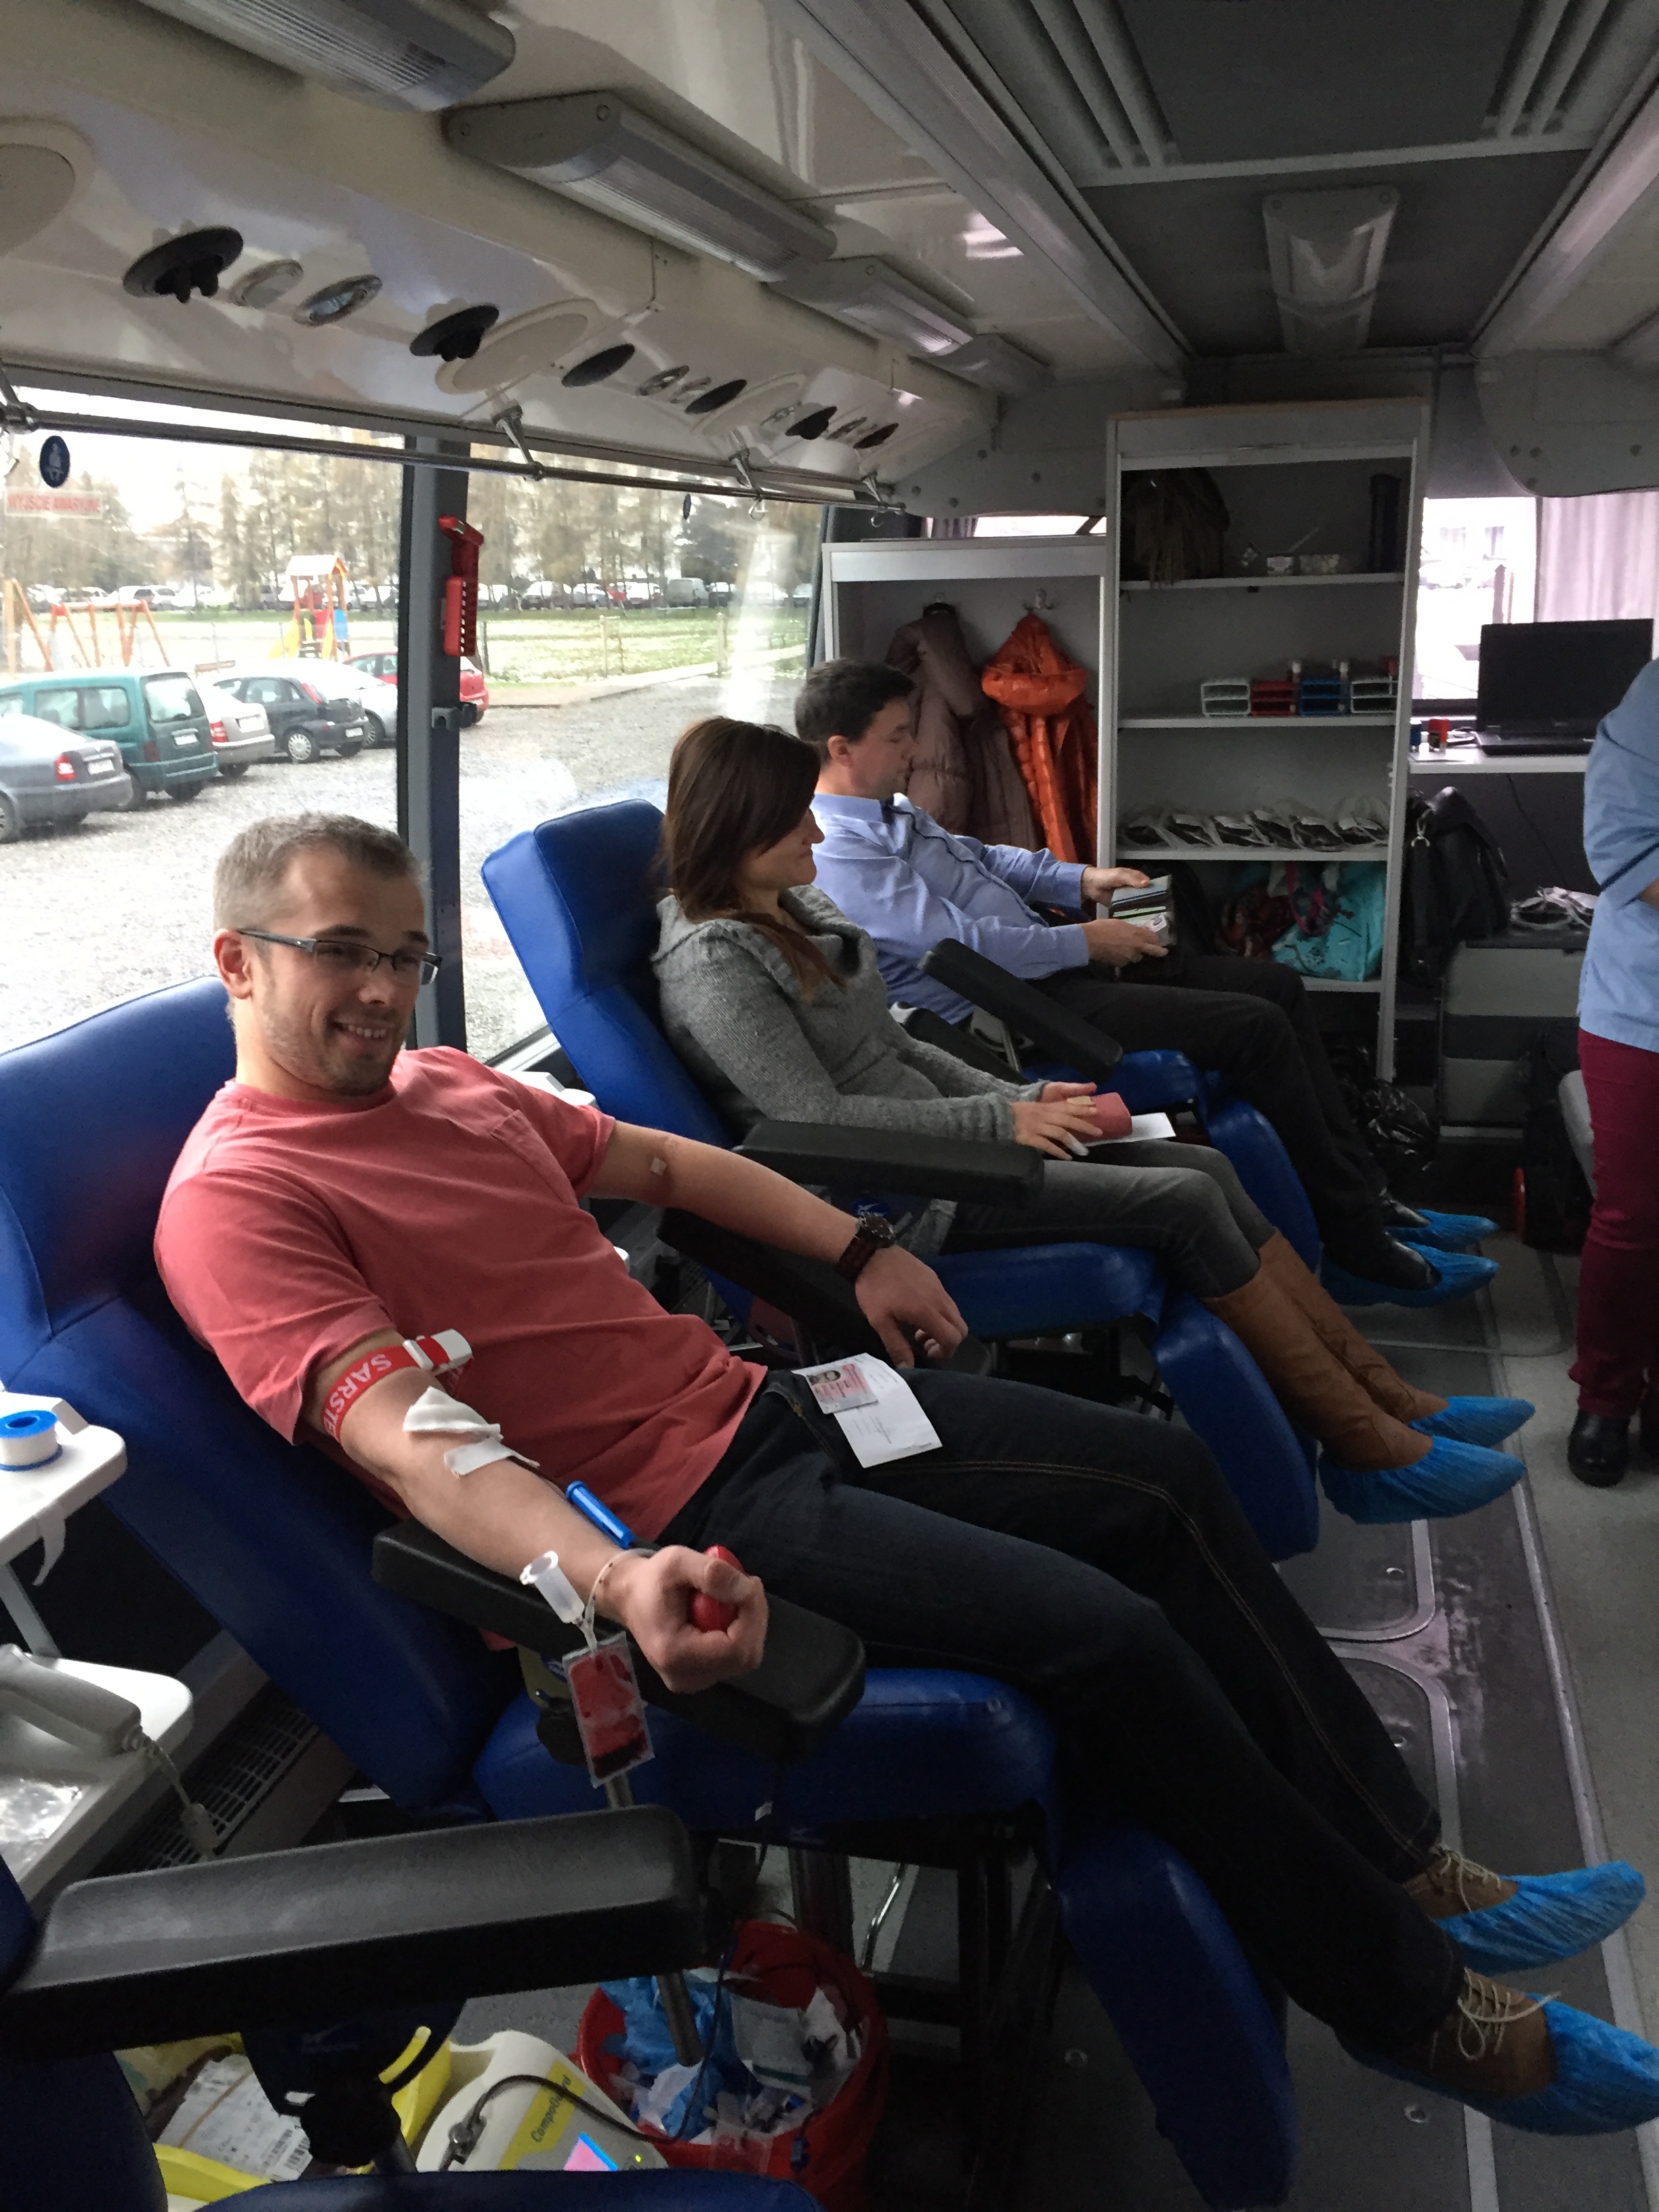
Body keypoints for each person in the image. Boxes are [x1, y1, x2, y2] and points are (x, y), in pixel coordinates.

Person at [152, 811, 1658, 2140]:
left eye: (404, 956)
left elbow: (669, 1168)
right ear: (238, 960)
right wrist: (614, 1575)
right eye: (341, 952)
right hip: (688, 1518)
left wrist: (860, 1247)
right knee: (1109, 1632)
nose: (382, 989)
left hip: (771, 1406)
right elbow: (409, 1437)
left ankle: (1402, 1859)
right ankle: (1416, 2010)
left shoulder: (450, 1086)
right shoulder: (241, 1196)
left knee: (1159, 1477)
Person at [651, 715, 1530, 1525]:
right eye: (794, 819)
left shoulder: (797, 908)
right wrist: (996, 1127)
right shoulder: (714, 961)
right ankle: (1366, 1449)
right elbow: (818, 1119)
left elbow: (898, 1043)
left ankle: (1385, 1398)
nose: (816, 832)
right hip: (900, 1191)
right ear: (739, 826)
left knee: (1206, 1168)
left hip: (953, 1139)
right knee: (1183, 1201)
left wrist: (1017, 1100)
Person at [797, 658, 1490, 1301]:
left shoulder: (895, 812)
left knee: (1275, 986)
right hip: (1013, 1016)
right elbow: (966, 949)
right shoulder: (841, 852)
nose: (914, 749)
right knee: (1256, 1028)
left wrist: (1083, 880)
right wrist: (1084, 940)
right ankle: (1354, 1244)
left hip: (1052, 969)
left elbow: (986, 859)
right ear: (841, 749)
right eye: (897, 737)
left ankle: (1367, 1196)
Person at [1568, 659, 1659, 1484]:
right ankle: (1606, 1395)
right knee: (1633, 1216)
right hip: (1645, 1008)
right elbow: (1627, 851)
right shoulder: (1654, 702)